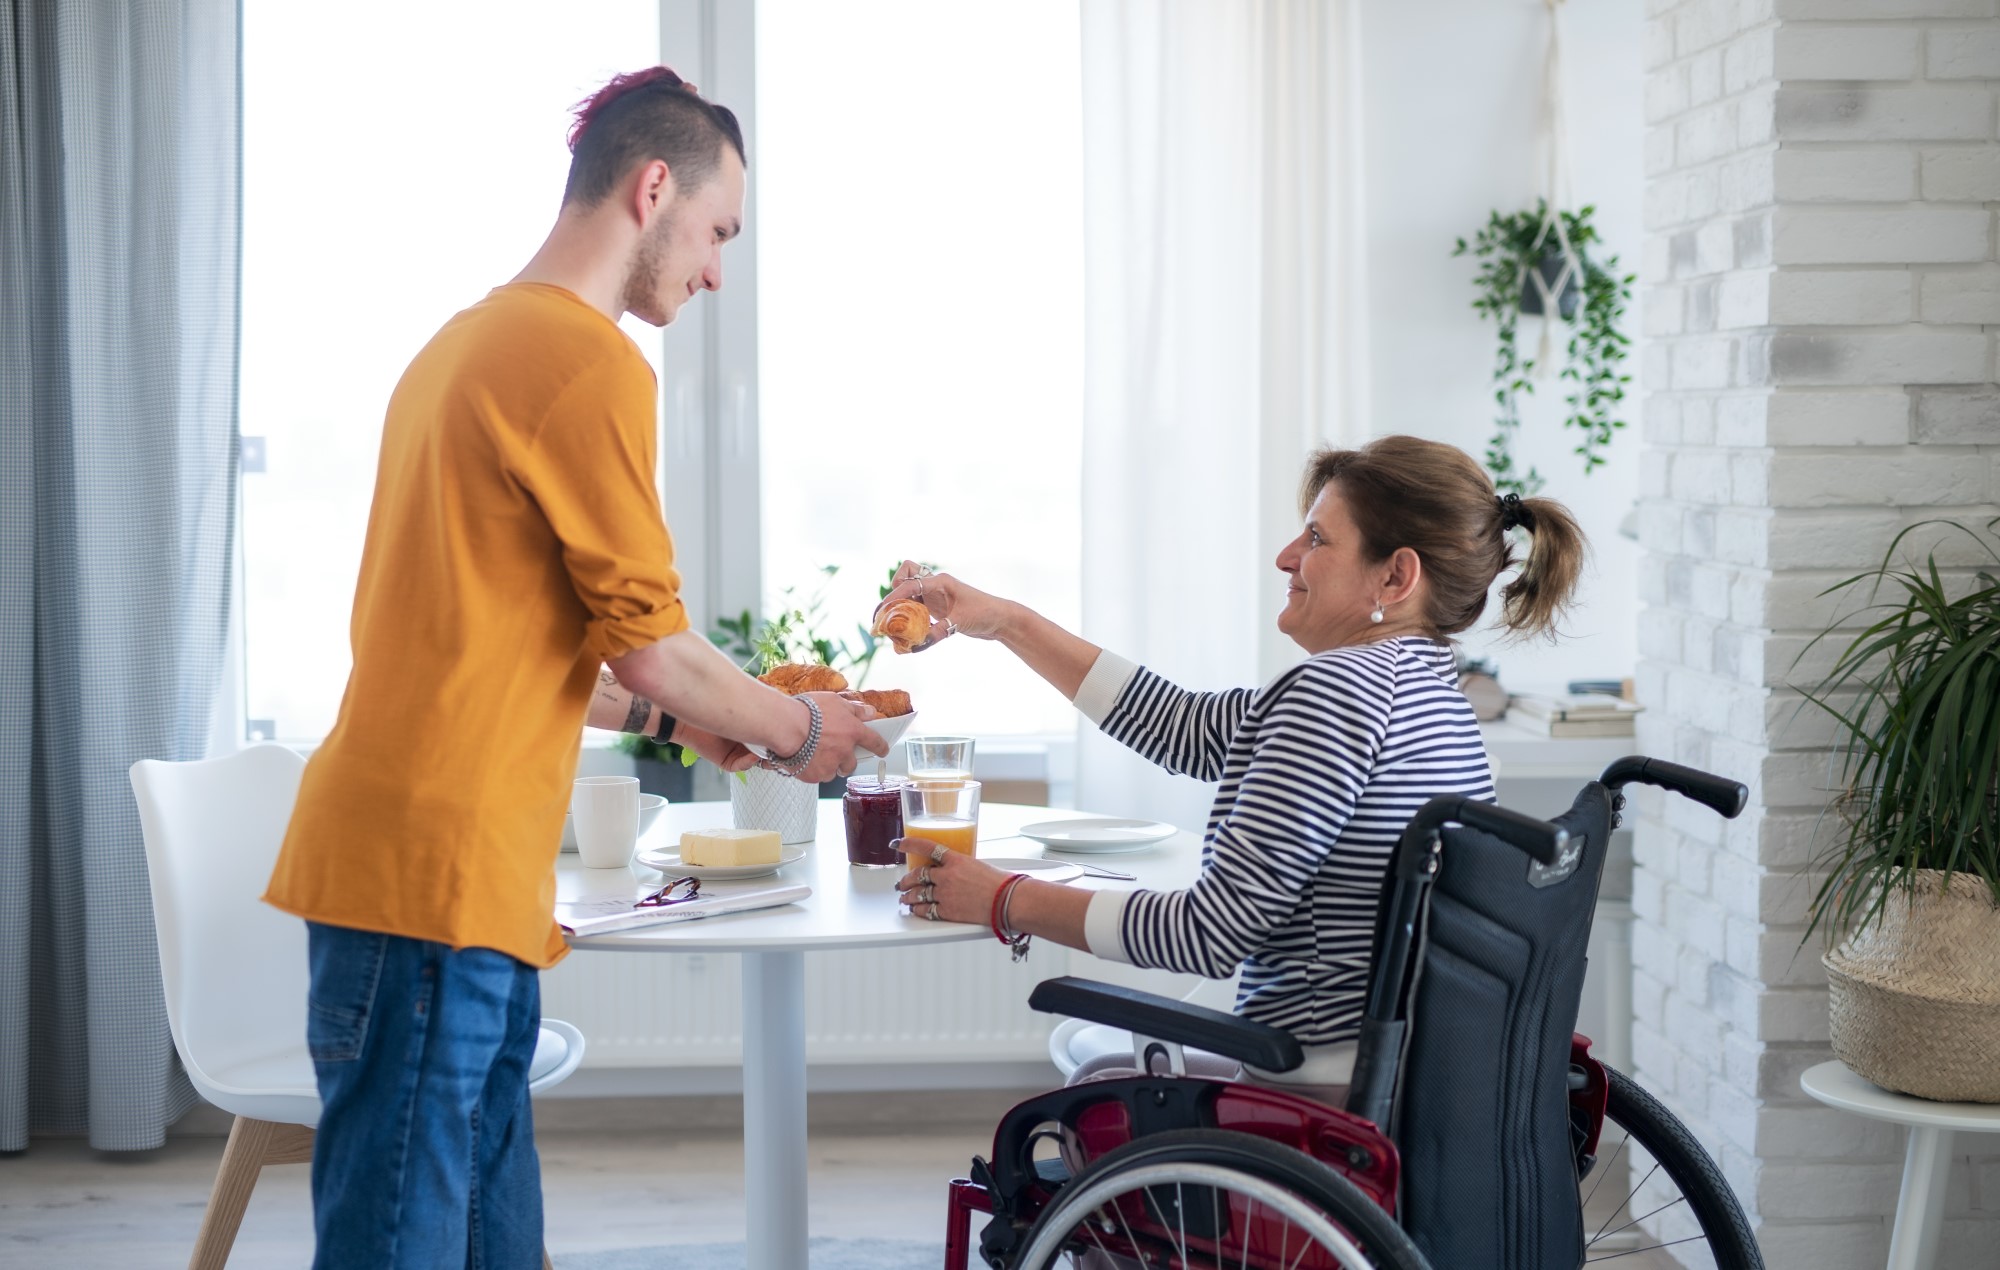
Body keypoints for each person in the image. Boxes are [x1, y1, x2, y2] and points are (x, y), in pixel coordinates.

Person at [263, 68, 886, 1269]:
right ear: (654, 187)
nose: (714, 271)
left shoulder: (464, 343)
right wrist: (802, 733)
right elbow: (650, 642)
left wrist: (691, 724)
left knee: (490, 1236)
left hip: (441, 872)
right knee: (403, 1240)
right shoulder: (583, 359)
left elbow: (507, 639)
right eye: (716, 232)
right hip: (435, 877)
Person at [882, 435, 1584, 1099]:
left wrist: (1005, 899)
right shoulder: (1430, 693)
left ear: (1395, 576)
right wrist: (1005, 620)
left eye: (1316, 538)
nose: (1285, 557)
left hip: (1321, 1079)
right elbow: (1176, 725)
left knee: (1090, 1080)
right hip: (1412, 1070)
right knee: (1091, 1048)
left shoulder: (1333, 692)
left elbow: (1208, 934)